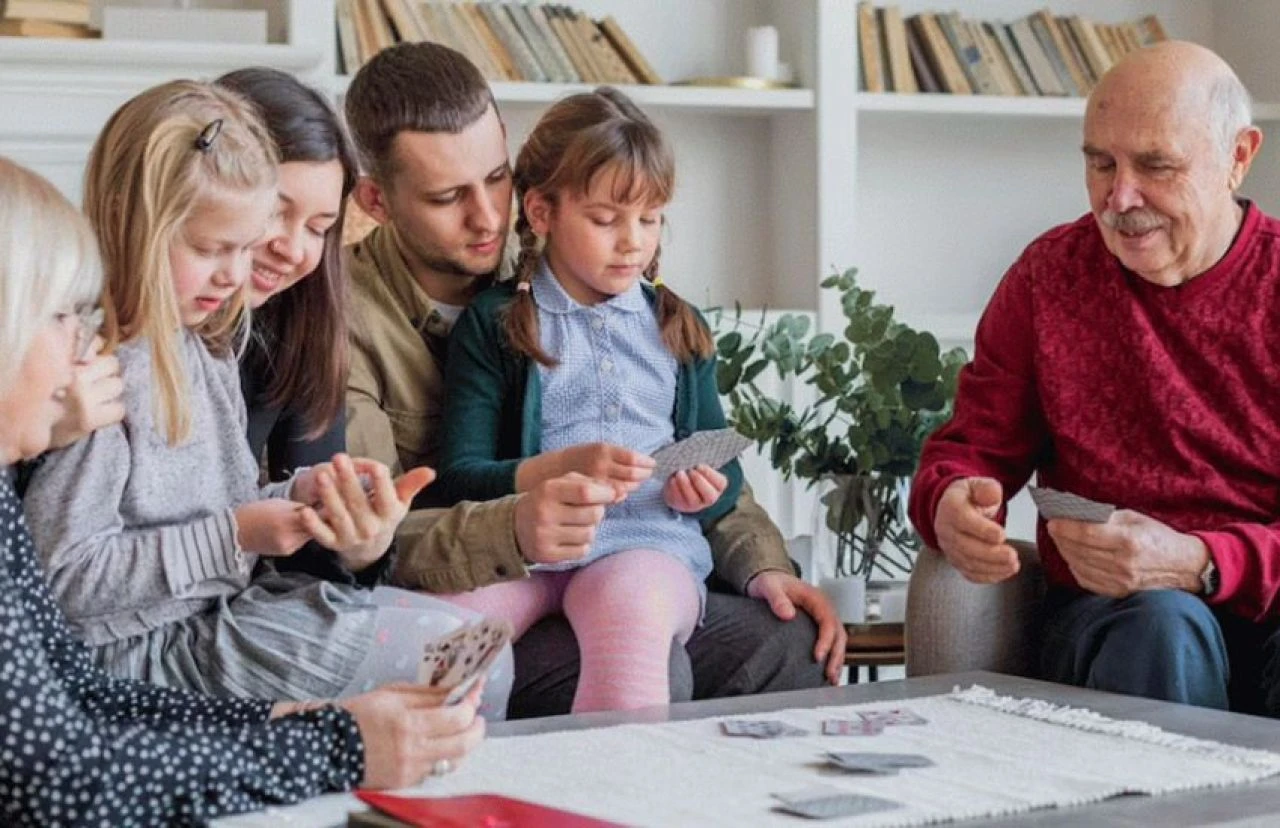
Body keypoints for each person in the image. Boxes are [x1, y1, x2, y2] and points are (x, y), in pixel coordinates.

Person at [342, 42, 845, 716]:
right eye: (446, 197)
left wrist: (765, 566)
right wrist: (520, 521)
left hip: (639, 553)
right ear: (376, 200)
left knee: (789, 640)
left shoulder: (640, 307)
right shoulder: (346, 322)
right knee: (448, 641)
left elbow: (710, 457)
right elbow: (368, 540)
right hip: (491, 563)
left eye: (497, 180)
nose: (490, 218)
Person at [0, 156, 484, 825]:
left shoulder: (210, 350)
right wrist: (329, 744)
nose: (85, 349)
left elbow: (76, 696)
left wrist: (275, 721)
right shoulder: (118, 371)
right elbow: (54, 778)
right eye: (62, 317)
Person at [21, 79, 511, 715]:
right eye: (211, 248)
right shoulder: (101, 375)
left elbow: (217, 509)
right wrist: (239, 533)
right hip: (139, 651)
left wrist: (297, 499)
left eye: (243, 248)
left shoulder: (205, 343)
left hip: (213, 617)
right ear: (141, 222)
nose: (235, 273)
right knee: (462, 666)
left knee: (479, 652)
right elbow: (62, 583)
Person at [907, 41, 1280, 713]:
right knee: (1162, 624)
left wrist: (1202, 560)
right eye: (1100, 163)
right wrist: (950, 501)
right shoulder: (1049, 278)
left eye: (1156, 165)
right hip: (1119, 620)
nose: (1119, 196)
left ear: (1238, 157)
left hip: (1267, 601)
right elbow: (970, 448)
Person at [431, 87, 744, 712]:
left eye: (650, 219)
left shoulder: (678, 325)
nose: (633, 241)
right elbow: (458, 477)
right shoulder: (497, 323)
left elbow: (727, 470)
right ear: (542, 212)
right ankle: (433, 796)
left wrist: (706, 486)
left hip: (646, 546)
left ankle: (609, 803)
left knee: (630, 616)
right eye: (606, 219)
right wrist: (551, 475)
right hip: (524, 549)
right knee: (444, 641)